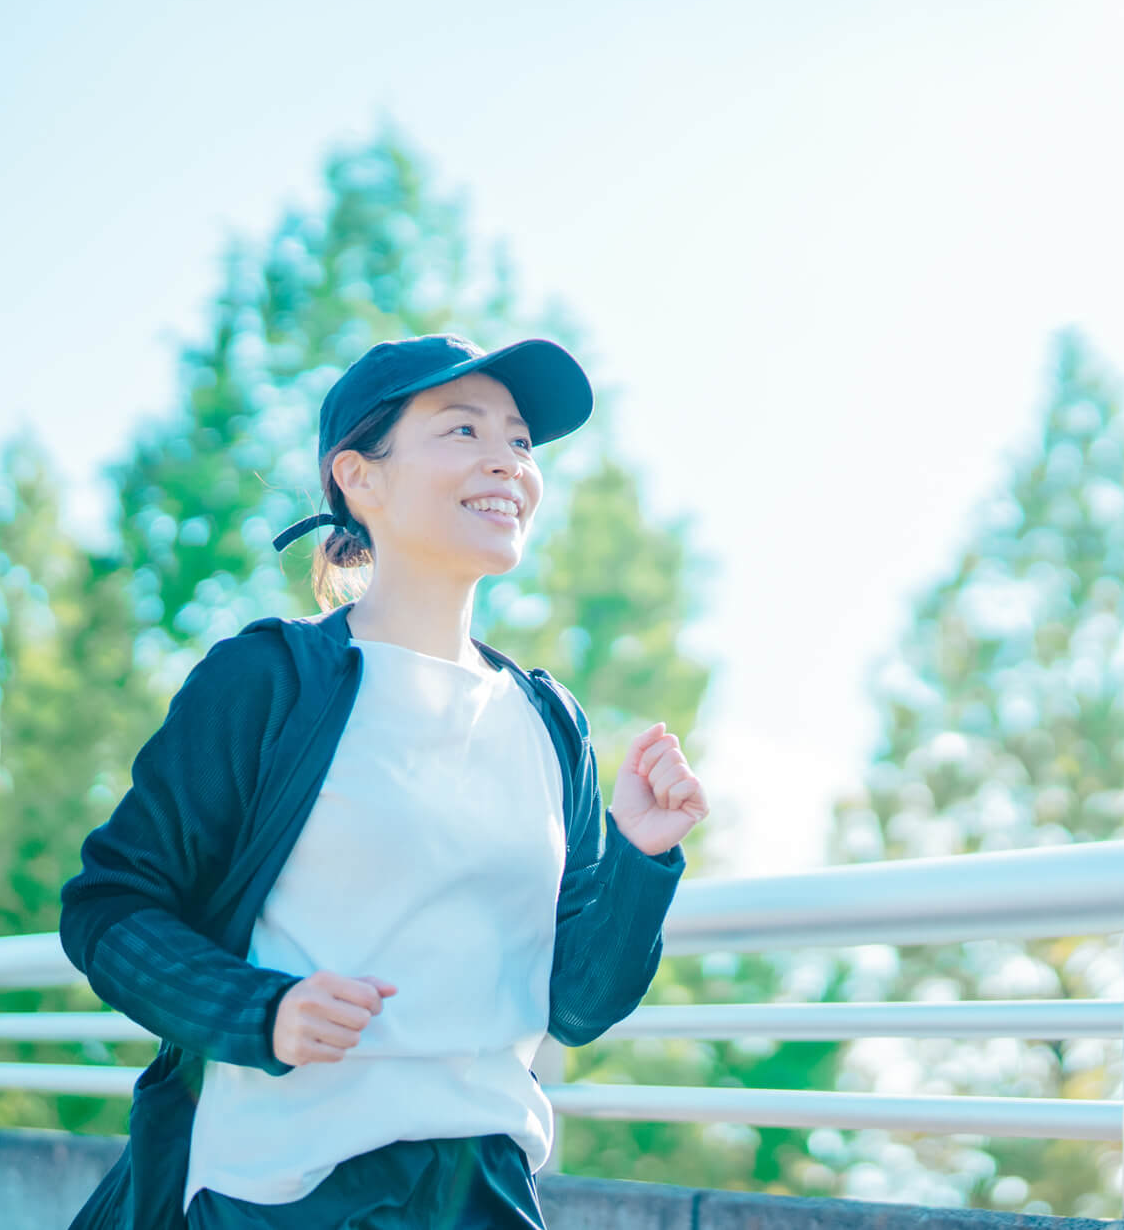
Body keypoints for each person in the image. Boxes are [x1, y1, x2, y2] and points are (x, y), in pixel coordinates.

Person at [58, 333, 710, 1229]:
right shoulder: (270, 681)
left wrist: (640, 856)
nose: (506, 462)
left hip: (485, 1186)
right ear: (360, 477)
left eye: (520, 441)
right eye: (462, 431)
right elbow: (109, 905)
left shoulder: (549, 721)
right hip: (280, 1190)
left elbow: (579, 1003)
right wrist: (263, 1010)